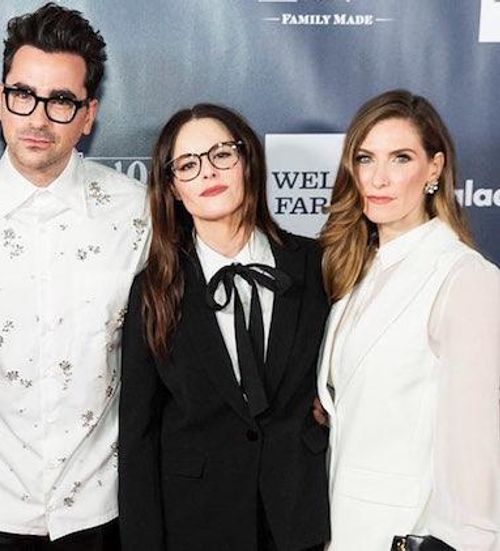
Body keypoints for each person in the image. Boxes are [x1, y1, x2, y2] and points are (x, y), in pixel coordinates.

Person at [0, 3, 148, 549]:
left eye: (61, 101)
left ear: (89, 115)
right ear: (0, 102)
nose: (38, 119)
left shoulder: (140, 215)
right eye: (23, 95)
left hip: (101, 513)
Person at [118, 104, 330, 551]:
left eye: (221, 155)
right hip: (197, 525)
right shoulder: (154, 290)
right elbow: (138, 436)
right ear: (173, 187)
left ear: (247, 160)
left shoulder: (317, 266)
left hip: (303, 519)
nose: (208, 173)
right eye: (188, 165)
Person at [317, 89, 500, 550]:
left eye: (400, 158)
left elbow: (477, 446)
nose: (378, 178)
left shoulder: (464, 276)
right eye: (365, 158)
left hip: (409, 533)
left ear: (434, 168)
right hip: (346, 525)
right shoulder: (359, 270)